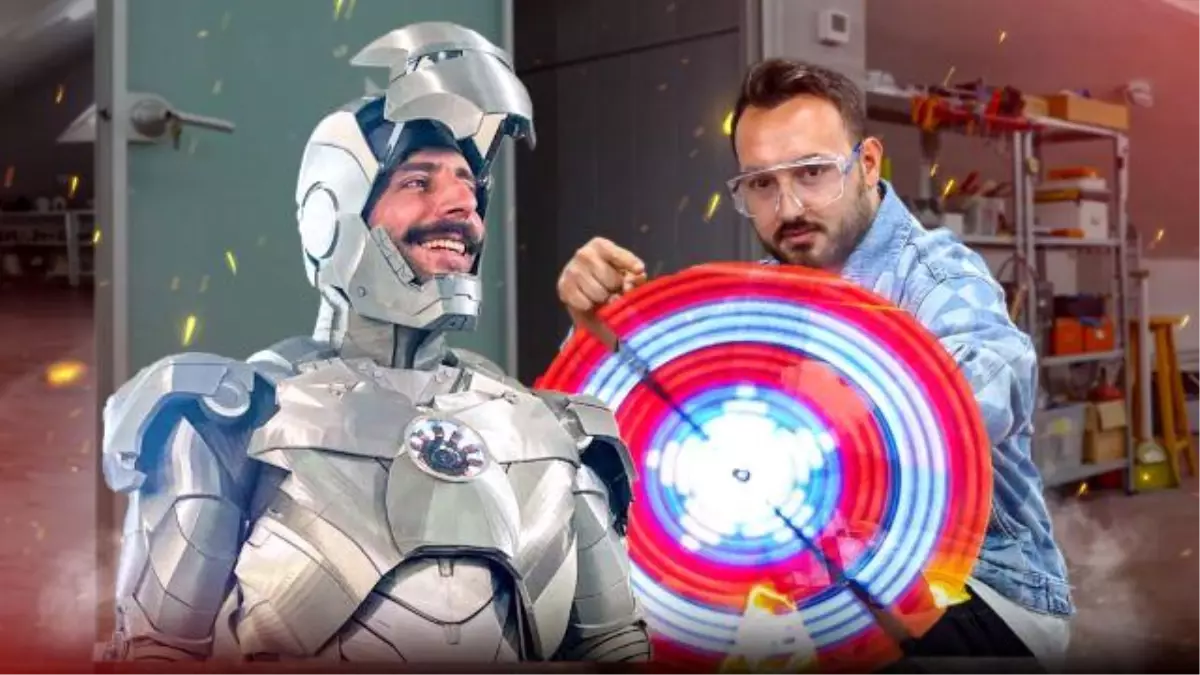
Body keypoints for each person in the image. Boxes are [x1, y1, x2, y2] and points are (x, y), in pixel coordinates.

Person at [99, 23, 649, 664]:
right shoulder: (230, 415)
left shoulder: (553, 431)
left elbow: (615, 648)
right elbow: (158, 652)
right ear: (334, 216)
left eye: (469, 185)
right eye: (418, 181)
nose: (462, 205)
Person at [556, 58, 1071, 664]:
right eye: (762, 184)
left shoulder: (934, 275)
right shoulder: (761, 296)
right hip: (822, 576)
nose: (790, 206)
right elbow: (644, 412)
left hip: (981, 594)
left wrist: (837, 420)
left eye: (812, 172)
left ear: (868, 164)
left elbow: (991, 380)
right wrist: (603, 330)